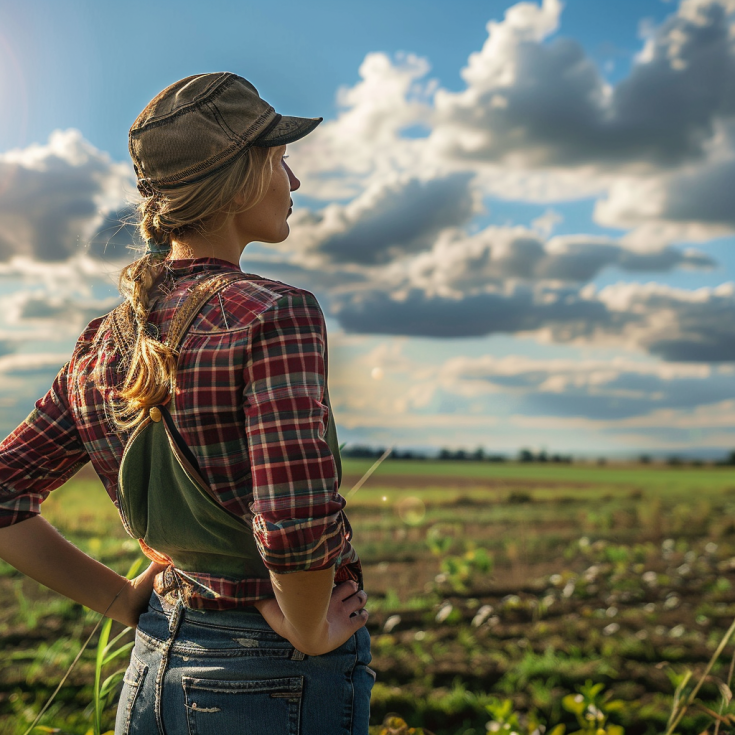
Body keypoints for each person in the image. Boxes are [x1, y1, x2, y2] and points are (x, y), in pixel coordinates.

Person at [0, 72, 374, 735]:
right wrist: (311, 627)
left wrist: (120, 598)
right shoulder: (273, 312)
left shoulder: (100, 340)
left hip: (150, 671)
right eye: (280, 159)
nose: (294, 182)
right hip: (269, 678)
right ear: (239, 175)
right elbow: (293, 518)